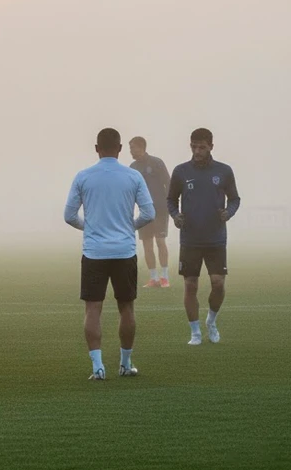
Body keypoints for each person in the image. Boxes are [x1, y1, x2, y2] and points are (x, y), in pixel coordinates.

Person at [64, 128, 154, 380]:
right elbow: (149, 213)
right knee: (127, 307)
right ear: (120, 148)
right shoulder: (133, 176)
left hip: (94, 252)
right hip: (124, 251)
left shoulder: (84, 176)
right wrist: (128, 227)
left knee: (93, 309)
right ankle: (125, 364)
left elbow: (69, 215)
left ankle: (98, 367)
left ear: (96, 148)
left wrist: (90, 227)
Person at [166, 128, 240, 346]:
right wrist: (175, 215)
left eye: (202, 147)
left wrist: (228, 212)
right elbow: (171, 200)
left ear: (211, 147)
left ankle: (211, 321)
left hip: (216, 238)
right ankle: (195, 332)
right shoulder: (180, 171)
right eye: (194, 146)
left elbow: (235, 199)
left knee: (218, 283)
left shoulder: (224, 171)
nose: (197, 151)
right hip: (190, 239)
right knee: (190, 285)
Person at [129, 137, 172, 287]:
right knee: (147, 245)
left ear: (141, 147)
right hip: (144, 212)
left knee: (160, 242)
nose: (131, 151)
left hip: (160, 209)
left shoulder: (157, 163)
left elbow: (168, 183)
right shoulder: (132, 167)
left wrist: (169, 204)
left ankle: (164, 277)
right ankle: (153, 278)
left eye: (132, 148)